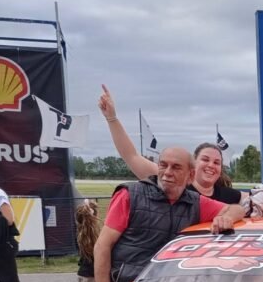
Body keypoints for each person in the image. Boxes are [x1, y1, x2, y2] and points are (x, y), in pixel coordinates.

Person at [93, 147, 245, 282]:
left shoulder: (195, 203)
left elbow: (237, 209)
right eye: (163, 165)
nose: (167, 172)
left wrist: (226, 218)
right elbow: (102, 246)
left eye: (176, 167)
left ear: (190, 175)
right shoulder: (130, 195)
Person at [97, 84, 243, 203]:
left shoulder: (231, 196)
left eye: (217, 162)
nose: (211, 165)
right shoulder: (175, 182)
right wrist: (112, 119)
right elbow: (131, 156)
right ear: (193, 165)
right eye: (205, 159)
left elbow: (261, 198)